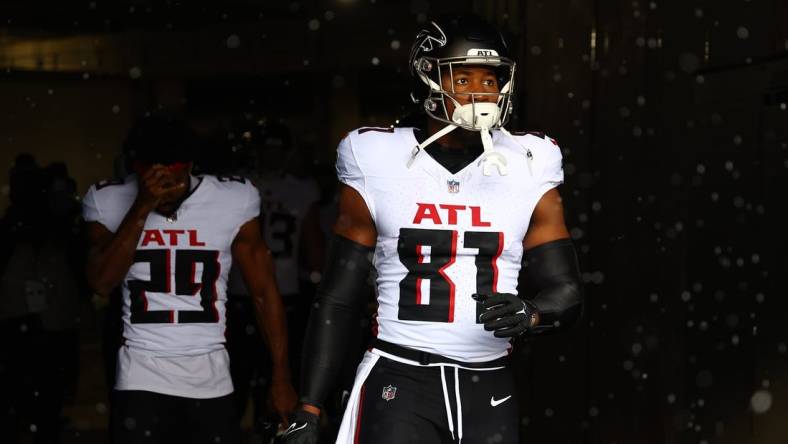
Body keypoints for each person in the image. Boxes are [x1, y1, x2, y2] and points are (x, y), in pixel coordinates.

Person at [283, 14, 584, 444]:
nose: (480, 92)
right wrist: (309, 405)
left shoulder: (530, 162)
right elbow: (338, 295)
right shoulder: (377, 157)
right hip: (400, 375)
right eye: (463, 79)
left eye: (490, 79)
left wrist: (532, 313)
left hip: (489, 382)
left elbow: (566, 290)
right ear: (428, 79)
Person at [82, 115, 297, 444]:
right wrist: (142, 205)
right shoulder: (107, 201)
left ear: (192, 165)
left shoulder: (232, 200)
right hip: (141, 376)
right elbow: (100, 281)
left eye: (174, 181)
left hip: (211, 378)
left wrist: (281, 375)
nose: (166, 191)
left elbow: (264, 292)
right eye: (155, 181)